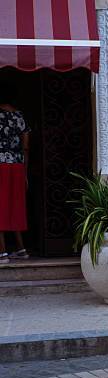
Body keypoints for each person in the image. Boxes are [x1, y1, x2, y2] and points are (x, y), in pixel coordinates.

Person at [0, 85, 31, 264]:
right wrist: (25, 171)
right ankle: (21, 249)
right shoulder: (19, 116)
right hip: (17, 164)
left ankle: (2, 251)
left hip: (1, 163)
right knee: (16, 205)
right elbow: (26, 145)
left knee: (1, 205)